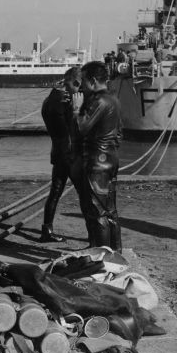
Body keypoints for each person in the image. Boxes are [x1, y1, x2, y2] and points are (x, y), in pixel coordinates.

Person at [70, 61, 122, 252]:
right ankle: (115, 252)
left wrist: (76, 109)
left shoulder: (98, 101)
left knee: (97, 211)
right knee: (110, 211)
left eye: (83, 81)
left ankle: (102, 256)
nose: (81, 86)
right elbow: (119, 132)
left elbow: (80, 128)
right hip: (110, 158)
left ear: (92, 81)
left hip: (97, 162)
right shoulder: (114, 99)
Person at [39, 67, 81, 242]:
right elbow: (72, 129)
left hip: (57, 151)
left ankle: (46, 229)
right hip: (70, 154)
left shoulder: (48, 100)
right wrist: (77, 110)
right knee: (85, 194)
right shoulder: (65, 103)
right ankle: (95, 232)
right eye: (79, 85)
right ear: (75, 82)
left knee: (55, 192)